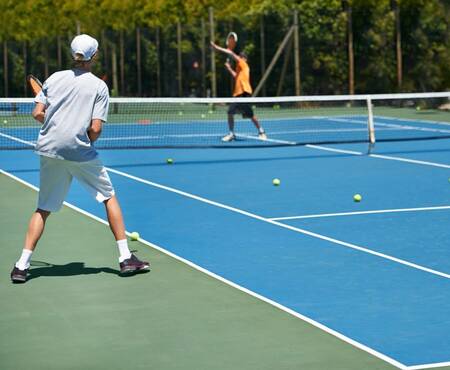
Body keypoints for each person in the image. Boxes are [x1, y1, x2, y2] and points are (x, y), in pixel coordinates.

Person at [10, 34, 149, 283]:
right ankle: (126, 257)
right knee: (108, 197)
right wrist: (82, 137)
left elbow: (37, 113)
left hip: (49, 149)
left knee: (42, 208)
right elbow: (95, 129)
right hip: (79, 151)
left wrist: (59, 125)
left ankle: (21, 266)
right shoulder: (99, 86)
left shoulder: (53, 78)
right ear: (94, 56)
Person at [210, 42, 266, 142]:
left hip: (243, 93)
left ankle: (259, 132)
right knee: (243, 114)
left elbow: (231, 53)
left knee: (236, 112)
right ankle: (258, 131)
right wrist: (229, 68)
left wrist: (217, 48)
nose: (239, 58)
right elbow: (236, 77)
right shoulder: (241, 69)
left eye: (240, 57)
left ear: (244, 58)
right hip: (239, 94)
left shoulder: (243, 64)